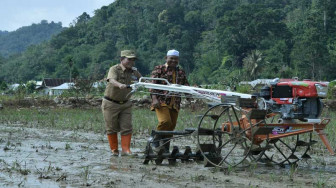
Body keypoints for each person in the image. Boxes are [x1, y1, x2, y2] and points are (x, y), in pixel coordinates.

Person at [102, 50, 142, 156]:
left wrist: (149, 84)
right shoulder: (114, 69)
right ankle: (114, 150)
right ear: (122, 59)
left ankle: (126, 150)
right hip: (111, 103)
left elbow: (142, 80)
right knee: (111, 127)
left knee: (127, 127)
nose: (131, 62)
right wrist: (119, 85)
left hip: (125, 103)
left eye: (133, 60)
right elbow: (111, 80)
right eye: (129, 59)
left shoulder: (134, 71)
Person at [150, 49, 190, 152]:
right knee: (165, 121)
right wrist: (154, 99)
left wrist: (191, 100)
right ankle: (154, 139)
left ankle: (165, 148)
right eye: (171, 58)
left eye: (176, 59)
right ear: (166, 58)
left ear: (178, 60)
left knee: (170, 128)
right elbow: (152, 85)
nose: (173, 61)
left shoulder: (181, 72)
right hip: (161, 101)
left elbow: (186, 86)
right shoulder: (159, 69)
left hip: (175, 103)